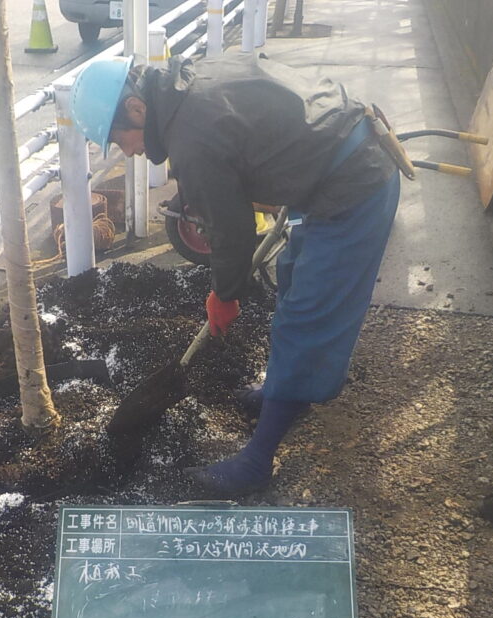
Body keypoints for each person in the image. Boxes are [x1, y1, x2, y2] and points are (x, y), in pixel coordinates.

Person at [70, 53, 401, 497]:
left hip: (353, 185)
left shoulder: (191, 135)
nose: (127, 151)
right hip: (327, 169)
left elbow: (232, 231)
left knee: (310, 313)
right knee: (293, 282)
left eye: (119, 139)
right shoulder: (188, 86)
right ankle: (288, 391)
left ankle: (257, 461)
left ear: (136, 108)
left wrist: (225, 295)